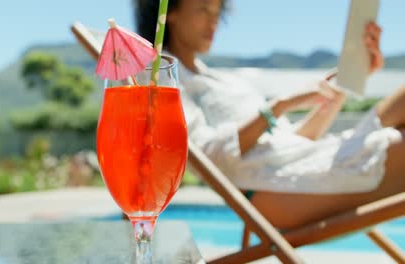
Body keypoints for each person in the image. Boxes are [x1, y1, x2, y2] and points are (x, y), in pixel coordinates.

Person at [133, 0, 405, 229]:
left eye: (217, 13)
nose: (213, 21)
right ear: (171, 12)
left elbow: (296, 141)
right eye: (203, 9)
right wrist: (279, 106)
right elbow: (204, 155)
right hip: (274, 189)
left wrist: (349, 76)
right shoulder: (162, 78)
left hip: (301, 166)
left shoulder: (221, 79)